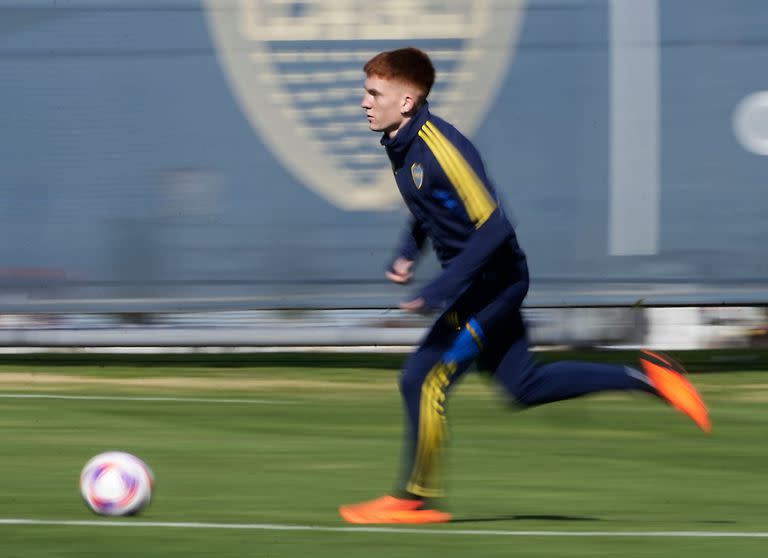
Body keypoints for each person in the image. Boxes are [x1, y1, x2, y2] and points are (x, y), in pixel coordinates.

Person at [339, 47, 710, 525]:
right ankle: (651, 377)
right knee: (524, 385)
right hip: (480, 283)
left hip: (493, 283)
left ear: (407, 101)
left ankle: (415, 499)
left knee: (422, 378)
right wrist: (408, 252)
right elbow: (429, 208)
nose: (364, 102)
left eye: (374, 93)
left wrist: (436, 290)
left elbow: (494, 228)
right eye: (365, 92)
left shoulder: (438, 149)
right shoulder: (402, 145)